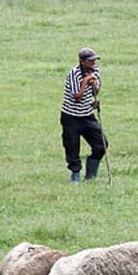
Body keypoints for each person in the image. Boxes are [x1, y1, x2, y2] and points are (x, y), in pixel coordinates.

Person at [59, 47, 107, 183]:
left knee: (101, 144)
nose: (93, 63)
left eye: (94, 60)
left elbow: (96, 91)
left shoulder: (95, 71)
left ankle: (91, 175)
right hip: (71, 116)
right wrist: (86, 81)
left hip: (87, 115)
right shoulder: (74, 74)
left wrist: (94, 88)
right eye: (90, 61)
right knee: (72, 146)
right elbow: (77, 96)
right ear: (82, 61)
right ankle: (75, 175)